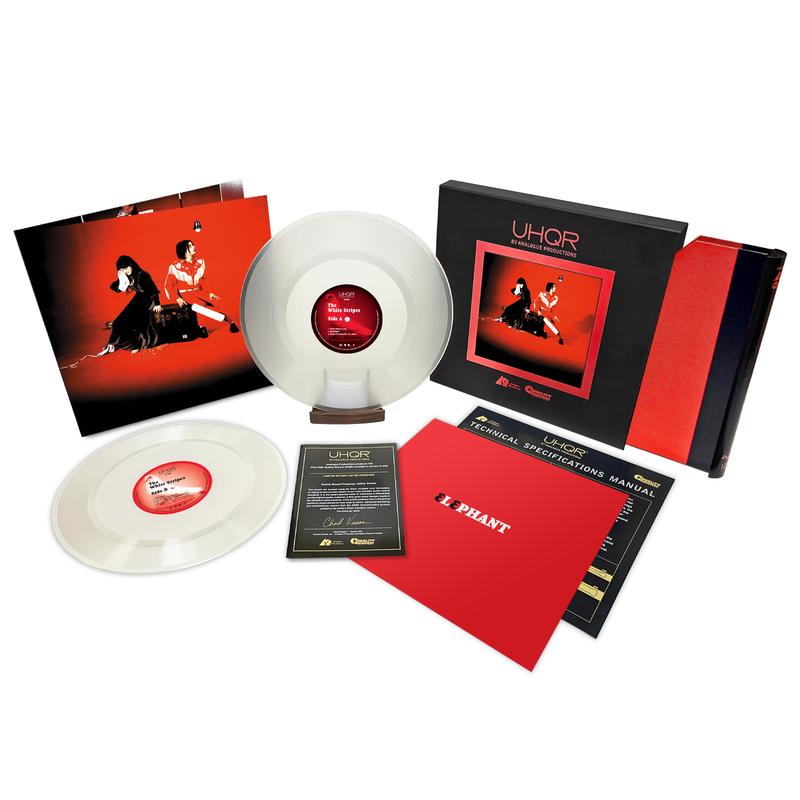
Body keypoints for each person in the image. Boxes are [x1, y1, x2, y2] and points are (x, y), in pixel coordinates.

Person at [163, 239, 239, 333]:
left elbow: (207, 279)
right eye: (190, 246)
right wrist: (177, 298)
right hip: (186, 295)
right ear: (183, 250)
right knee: (199, 307)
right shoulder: (175, 266)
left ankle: (231, 323)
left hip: (200, 291)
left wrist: (210, 292)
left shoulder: (201, 262)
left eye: (193, 244)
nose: (194, 247)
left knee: (217, 301)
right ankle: (202, 328)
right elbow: (169, 285)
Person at [102, 255, 162, 353]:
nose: (125, 271)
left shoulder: (142, 275)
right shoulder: (126, 277)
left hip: (148, 299)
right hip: (139, 298)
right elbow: (117, 289)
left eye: (126, 268)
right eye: (122, 269)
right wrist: (120, 277)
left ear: (131, 265)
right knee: (119, 321)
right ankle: (112, 344)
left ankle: (137, 344)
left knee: (134, 322)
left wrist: (157, 304)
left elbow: (153, 290)